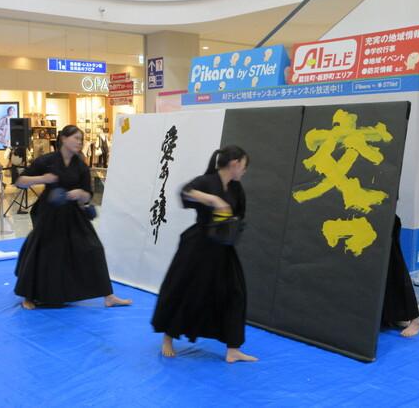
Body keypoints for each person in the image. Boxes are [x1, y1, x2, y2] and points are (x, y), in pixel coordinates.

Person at [151, 145, 258, 363]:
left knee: (235, 293)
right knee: (183, 289)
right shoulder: (206, 181)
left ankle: (233, 349)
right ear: (234, 164)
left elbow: (240, 213)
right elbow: (184, 192)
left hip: (223, 247)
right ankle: (168, 338)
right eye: (244, 166)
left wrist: (232, 222)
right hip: (198, 245)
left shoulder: (237, 189)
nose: (244, 172)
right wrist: (213, 200)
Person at [13, 124, 131, 310]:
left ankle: (109, 296)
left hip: (73, 214)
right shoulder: (47, 161)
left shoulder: (81, 166)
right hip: (49, 213)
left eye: (81, 139)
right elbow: (20, 182)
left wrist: (79, 194)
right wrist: (42, 178)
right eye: (76, 138)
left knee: (94, 249)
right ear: (63, 139)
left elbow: (88, 195)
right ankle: (29, 296)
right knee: (42, 253)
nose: (79, 142)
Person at [381, 214, 419, 337]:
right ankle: (387, 315)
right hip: (365, 213)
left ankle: (415, 321)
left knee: (395, 264)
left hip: (383, 215)